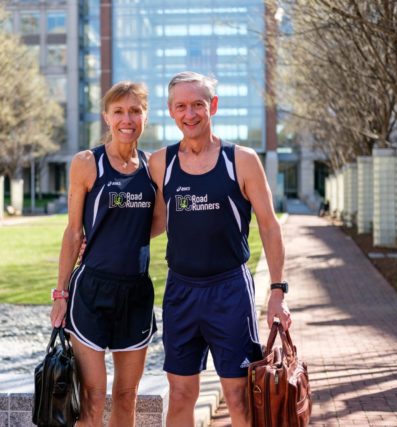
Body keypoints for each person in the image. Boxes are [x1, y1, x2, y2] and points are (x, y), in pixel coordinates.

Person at [148, 71, 291, 426]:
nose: (190, 114)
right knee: (180, 395)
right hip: (180, 291)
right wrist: (99, 237)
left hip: (230, 291)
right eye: (181, 106)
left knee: (238, 398)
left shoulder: (241, 160)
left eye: (198, 104)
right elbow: (155, 223)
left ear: (213, 105)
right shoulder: (160, 163)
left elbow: (270, 227)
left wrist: (277, 291)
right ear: (171, 111)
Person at [50, 81, 161, 427]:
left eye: (134, 111)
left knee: (127, 397)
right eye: (118, 111)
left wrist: (122, 236)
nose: (127, 119)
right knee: (94, 399)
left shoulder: (154, 167)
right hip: (92, 292)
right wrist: (60, 293)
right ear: (107, 117)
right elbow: (72, 232)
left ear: (145, 116)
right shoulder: (87, 163)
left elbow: (157, 222)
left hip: (136, 293)